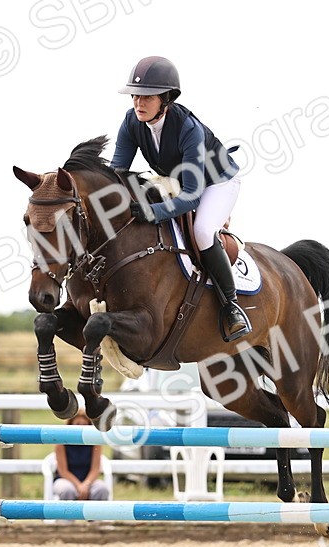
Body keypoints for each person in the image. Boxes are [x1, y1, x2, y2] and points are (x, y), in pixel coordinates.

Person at [109, 55, 251, 343]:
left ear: (167, 98)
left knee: (201, 231)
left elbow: (191, 197)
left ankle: (232, 305)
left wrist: (153, 212)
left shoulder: (188, 129)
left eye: (147, 97)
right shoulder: (131, 122)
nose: (139, 103)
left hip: (217, 183)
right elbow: (117, 173)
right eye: (136, 95)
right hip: (176, 182)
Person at [52, 412, 111, 502]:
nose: (81, 428)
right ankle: (67, 515)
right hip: (65, 479)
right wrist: (78, 485)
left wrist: (86, 485)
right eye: (78, 425)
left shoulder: (95, 443)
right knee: (67, 490)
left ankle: (95, 515)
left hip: (88, 481)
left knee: (102, 489)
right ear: (71, 425)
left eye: (84, 425)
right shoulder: (61, 443)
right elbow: (63, 471)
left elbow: (95, 469)